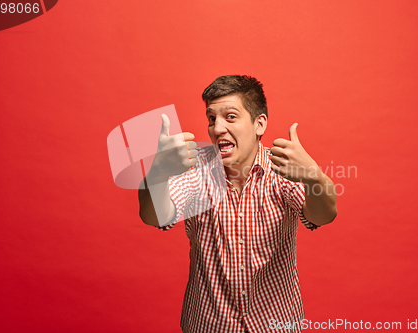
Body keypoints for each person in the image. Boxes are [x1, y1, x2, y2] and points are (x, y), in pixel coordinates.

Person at [139, 75, 337, 333]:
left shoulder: (283, 168)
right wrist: (156, 175)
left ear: (259, 124)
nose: (217, 128)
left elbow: (323, 215)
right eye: (212, 118)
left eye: (230, 117)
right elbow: (155, 217)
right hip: (208, 325)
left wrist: (314, 176)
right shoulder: (195, 170)